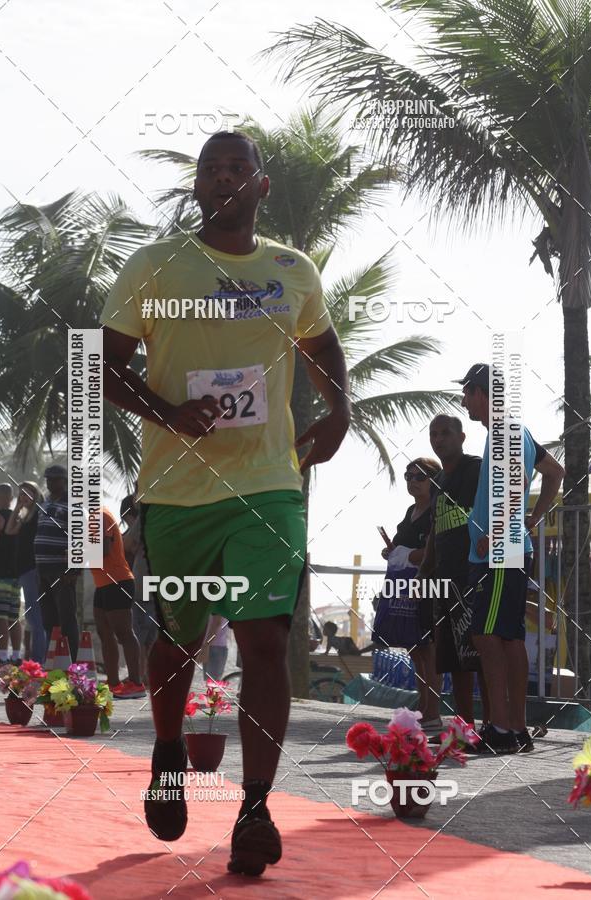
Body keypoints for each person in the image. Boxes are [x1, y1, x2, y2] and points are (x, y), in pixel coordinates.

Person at [101, 130, 350, 876]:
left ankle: (254, 808)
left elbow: (322, 344)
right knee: (179, 638)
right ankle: (170, 749)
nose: (224, 178)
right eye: (211, 169)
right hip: (177, 495)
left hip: (270, 486)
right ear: (199, 189)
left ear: (260, 186)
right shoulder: (155, 266)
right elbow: (100, 367)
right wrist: (167, 411)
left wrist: (338, 407)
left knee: (265, 638)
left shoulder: (291, 269)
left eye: (238, 167)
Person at [458, 363, 564, 753]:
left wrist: (499, 530)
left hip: (500, 552)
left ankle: (501, 729)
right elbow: (556, 471)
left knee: (487, 636)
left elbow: (518, 483)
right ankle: (516, 730)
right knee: (508, 637)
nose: (464, 399)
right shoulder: (515, 431)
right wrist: (531, 518)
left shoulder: (503, 431)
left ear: (484, 392)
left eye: (468, 391)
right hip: (510, 548)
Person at [418, 416, 488, 739]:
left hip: (472, 573)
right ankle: (463, 729)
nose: (438, 439)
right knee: (453, 659)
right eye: (433, 434)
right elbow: (434, 531)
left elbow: (496, 505)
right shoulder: (439, 484)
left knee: (481, 657)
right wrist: (423, 572)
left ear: (462, 436)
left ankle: (494, 725)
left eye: (445, 433)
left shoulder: (475, 469)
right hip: (443, 580)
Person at [380, 458, 442, 730]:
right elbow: (403, 547)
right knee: (415, 648)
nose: (412, 480)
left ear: (434, 479)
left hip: (427, 583)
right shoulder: (410, 510)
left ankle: (433, 709)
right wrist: (392, 552)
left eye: (420, 476)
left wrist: (404, 555)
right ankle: (423, 703)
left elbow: (433, 551)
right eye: (408, 475)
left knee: (428, 648)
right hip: (404, 583)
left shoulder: (436, 511)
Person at [90, 507, 145, 699]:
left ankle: (136, 683)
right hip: (103, 583)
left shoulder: (100, 515)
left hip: (117, 581)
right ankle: (113, 682)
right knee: (104, 632)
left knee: (123, 632)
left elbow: (103, 550)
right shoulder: (90, 518)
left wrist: (76, 552)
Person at [34, 465, 80, 662]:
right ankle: (53, 661)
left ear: (64, 481)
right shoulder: (43, 505)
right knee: (49, 620)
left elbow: (79, 538)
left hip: (62, 570)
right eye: (49, 479)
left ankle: (72, 663)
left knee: (67, 618)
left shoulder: (73, 504)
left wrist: (73, 569)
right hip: (43, 570)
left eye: (55, 479)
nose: (51, 482)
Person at [5, 482, 46, 663]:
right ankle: (36, 658)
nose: (23, 497)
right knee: (31, 616)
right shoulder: (25, 515)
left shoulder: (39, 512)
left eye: (27, 494)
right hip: (23, 570)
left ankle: (38, 660)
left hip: (32, 568)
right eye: (21, 494)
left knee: (35, 617)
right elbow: (9, 530)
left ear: (35, 494)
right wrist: (17, 507)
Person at [121, 495, 158, 686]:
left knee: (140, 634)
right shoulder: (170, 510)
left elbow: (128, 543)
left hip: (144, 581)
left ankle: (139, 677)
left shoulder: (146, 513)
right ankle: (148, 677)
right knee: (153, 634)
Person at [0, 483, 22, 665]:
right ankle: (16, 656)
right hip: (16, 574)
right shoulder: (18, 518)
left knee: (0, 616)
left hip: (1, 573)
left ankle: (3, 656)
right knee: (14, 617)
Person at [202, 614, 229, 681]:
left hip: (215, 647)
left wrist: (205, 646)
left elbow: (217, 623)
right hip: (212, 646)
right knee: (210, 683)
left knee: (212, 683)